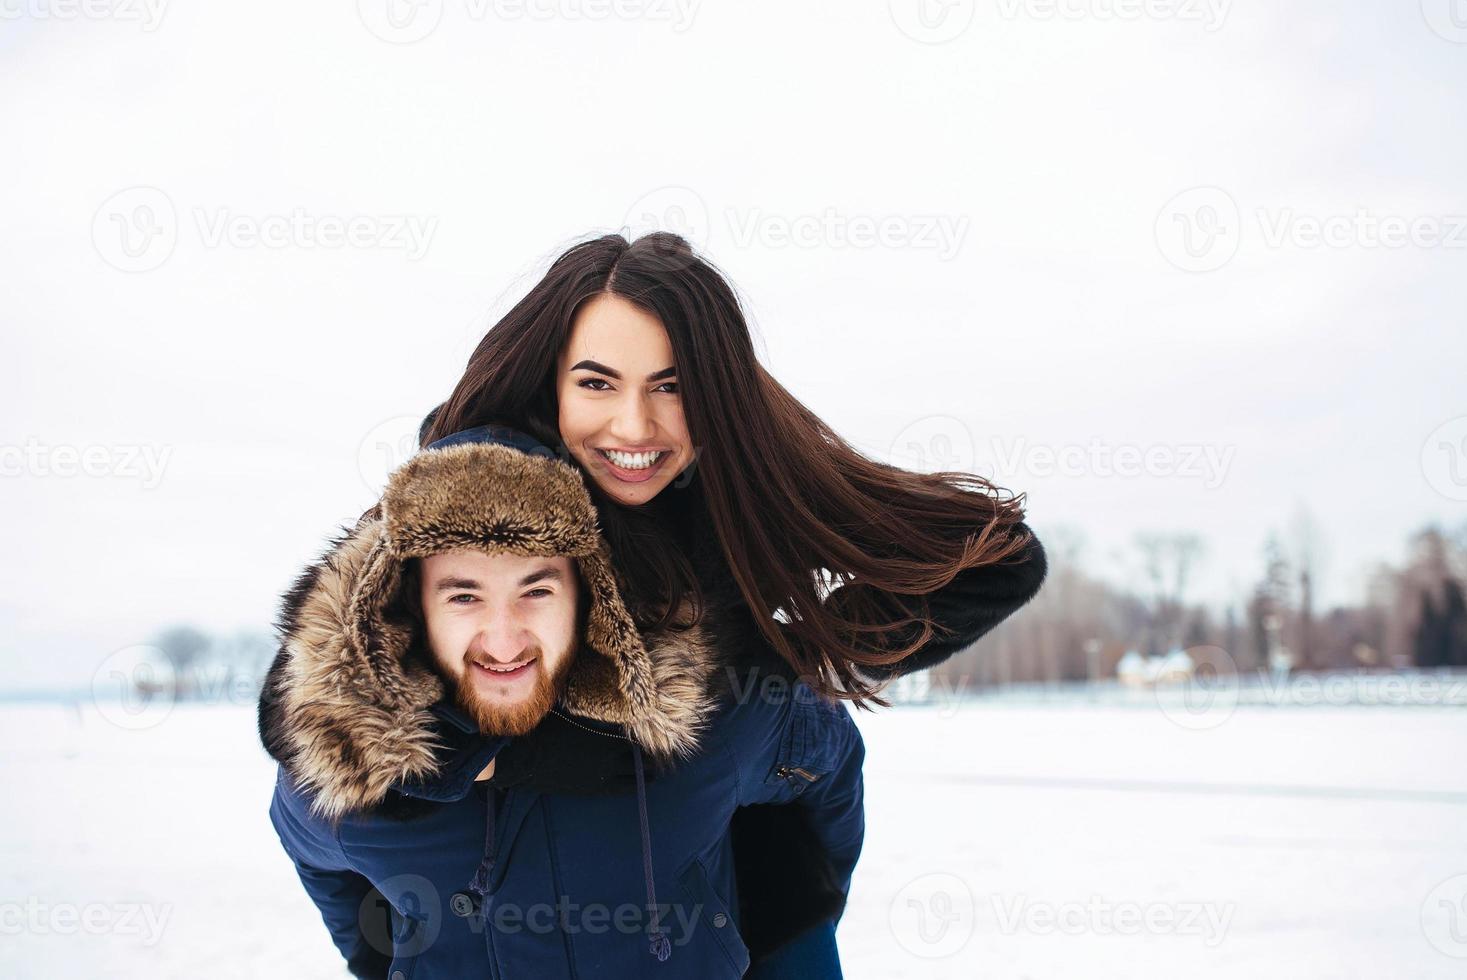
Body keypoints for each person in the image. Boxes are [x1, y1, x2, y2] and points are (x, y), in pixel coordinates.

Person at [414, 230, 1050, 973]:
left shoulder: (742, 474)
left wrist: (775, 666)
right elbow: (313, 707)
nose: (633, 426)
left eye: (672, 385)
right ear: (546, 379)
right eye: (596, 383)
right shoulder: (475, 486)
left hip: (761, 902)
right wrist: (549, 752)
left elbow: (1002, 557)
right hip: (533, 910)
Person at [259, 426, 865, 979]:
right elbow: (313, 853)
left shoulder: (705, 720)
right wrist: (387, 959)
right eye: (464, 596)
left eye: (536, 590)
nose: (503, 639)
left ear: (586, 596)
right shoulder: (357, 780)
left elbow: (825, 758)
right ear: (414, 607)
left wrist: (790, 936)